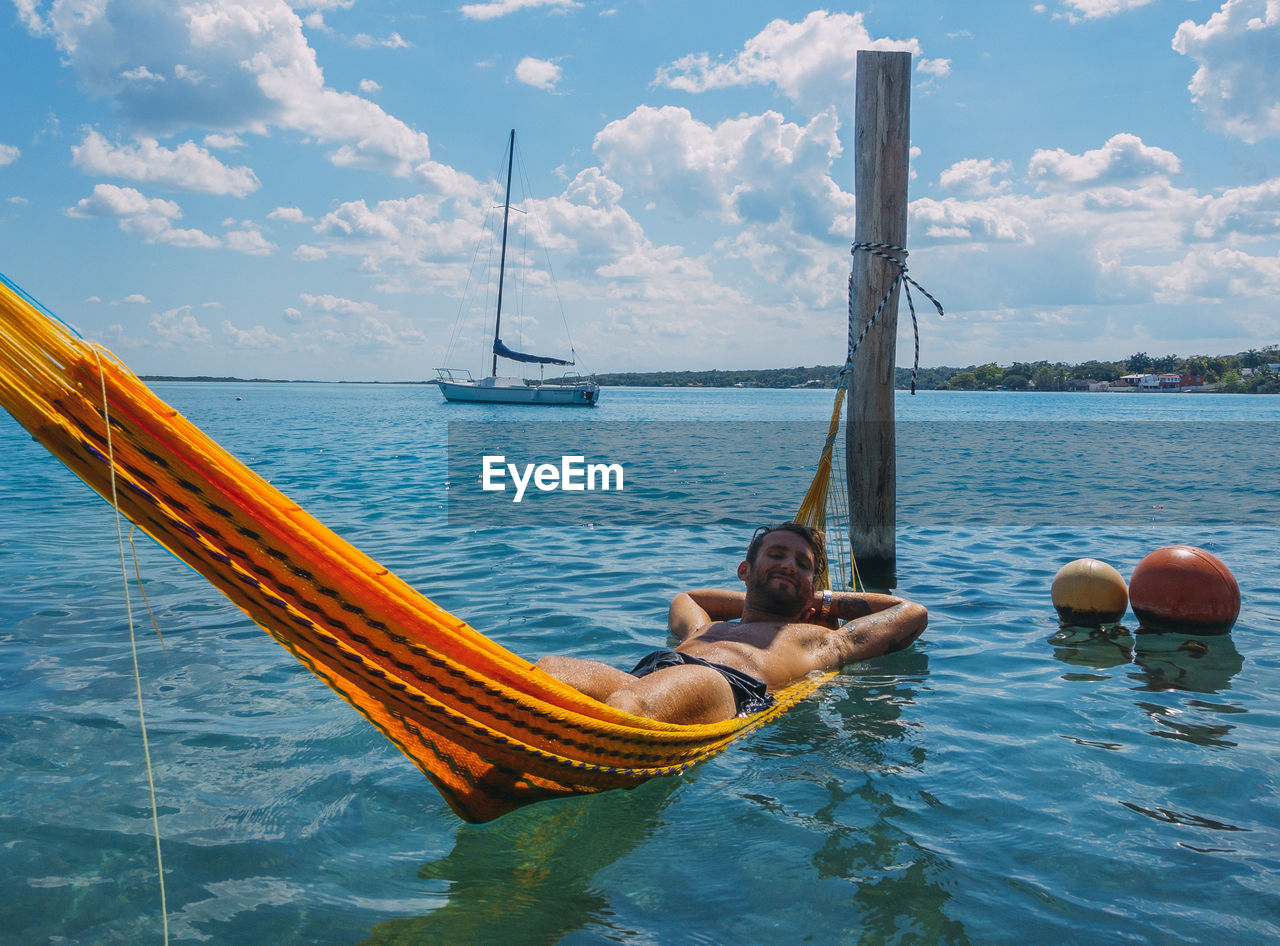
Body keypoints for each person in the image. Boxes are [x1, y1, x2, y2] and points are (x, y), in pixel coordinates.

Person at [535, 522, 928, 724]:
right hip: (648, 676)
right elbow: (686, 598)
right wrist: (758, 598)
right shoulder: (704, 628)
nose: (789, 565)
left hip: (724, 684)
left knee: (631, 704)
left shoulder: (820, 640)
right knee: (546, 672)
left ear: (812, 589)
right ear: (744, 570)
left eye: (802, 565)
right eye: (777, 556)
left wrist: (819, 599)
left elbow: (911, 613)